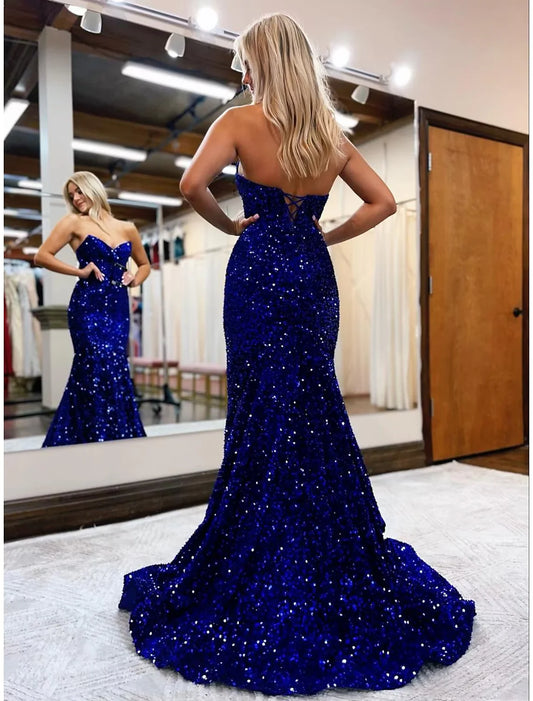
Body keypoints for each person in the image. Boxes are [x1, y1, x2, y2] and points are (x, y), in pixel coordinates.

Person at [119, 14, 475, 695]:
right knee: (313, 405)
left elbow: (190, 187)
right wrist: (322, 237)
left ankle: (256, 536)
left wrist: (232, 224)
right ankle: (324, 540)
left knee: (260, 408)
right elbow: (381, 202)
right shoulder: (327, 136)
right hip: (312, 276)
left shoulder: (238, 121)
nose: (240, 72)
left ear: (262, 61)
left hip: (256, 272)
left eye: (244, 60)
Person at [34, 171, 150, 446]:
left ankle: (117, 433)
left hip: (118, 307)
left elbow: (145, 265)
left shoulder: (127, 228)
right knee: (93, 364)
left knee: (116, 364)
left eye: (79, 191)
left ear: (94, 189)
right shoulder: (73, 222)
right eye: (71, 195)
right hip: (87, 305)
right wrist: (79, 271)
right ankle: (88, 434)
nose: (76, 198)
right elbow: (41, 256)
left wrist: (135, 279)